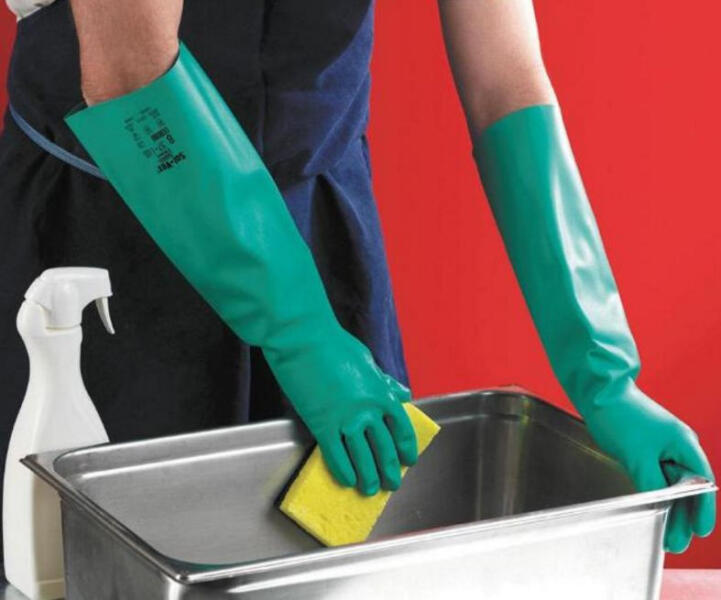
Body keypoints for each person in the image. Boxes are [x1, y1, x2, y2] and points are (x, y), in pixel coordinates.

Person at [0, 0, 713, 561]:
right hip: (106, 245)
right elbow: (128, 64)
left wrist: (602, 372)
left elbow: (506, 83)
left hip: (319, 235)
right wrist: (301, 332)